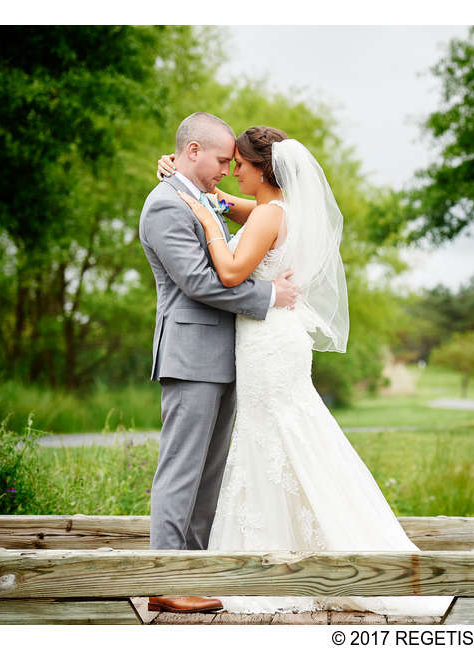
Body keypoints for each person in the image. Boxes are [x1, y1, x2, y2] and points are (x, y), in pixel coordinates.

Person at [155, 125, 454, 618]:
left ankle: (272, 563)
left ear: (261, 169)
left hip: (268, 343)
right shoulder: (283, 209)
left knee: (273, 440)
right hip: (275, 339)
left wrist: (207, 224)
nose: (232, 172)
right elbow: (230, 204)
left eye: (240, 165)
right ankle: (294, 553)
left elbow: (228, 272)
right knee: (283, 440)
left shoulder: (269, 214)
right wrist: (194, 189)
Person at [138, 112, 298, 614]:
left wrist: (214, 201)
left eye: (235, 163)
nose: (227, 170)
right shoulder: (166, 206)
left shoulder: (196, 196)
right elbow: (201, 282)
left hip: (225, 355)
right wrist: (271, 295)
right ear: (193, 152)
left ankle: (195, 572)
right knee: (181, 470)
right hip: (190, 356)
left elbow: (225, 208)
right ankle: (165, 578)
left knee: (209, 474)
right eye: (222, 160)